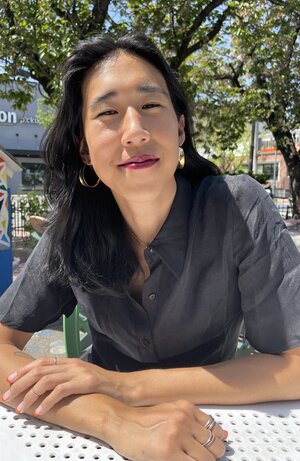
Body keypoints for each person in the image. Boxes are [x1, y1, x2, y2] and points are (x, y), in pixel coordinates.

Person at [0, 34, 300, 461]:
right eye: (107, 113)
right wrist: (112, 418)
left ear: (180, 127)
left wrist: (123, 385)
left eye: (150, 106)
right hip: (93, 433)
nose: (135, 132)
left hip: (219, 425)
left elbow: (294, 364)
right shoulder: (70, 231)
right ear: (84, 148)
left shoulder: (238, 207)